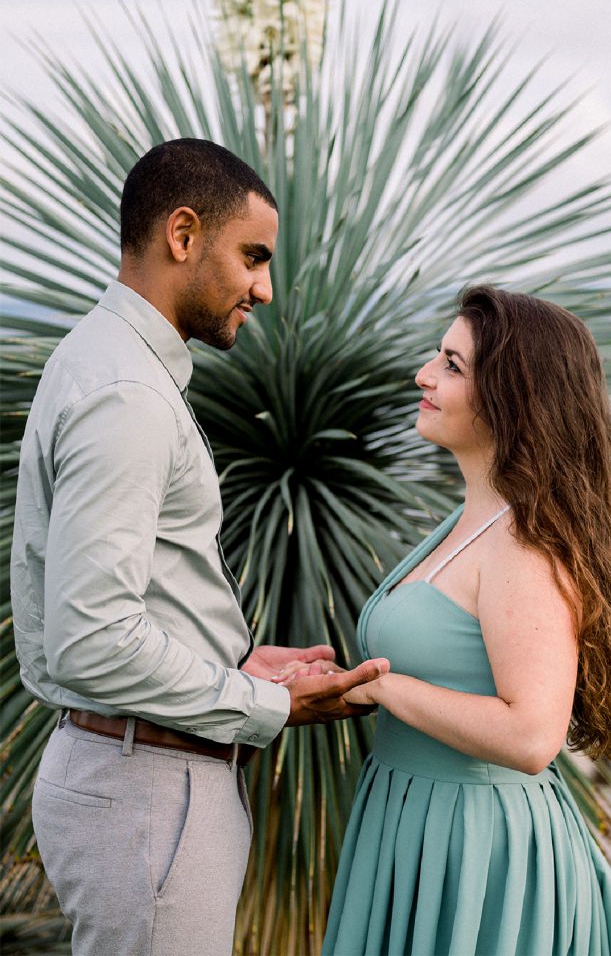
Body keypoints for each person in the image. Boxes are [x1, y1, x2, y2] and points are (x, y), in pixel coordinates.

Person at [10, 138, 389, 956]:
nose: (266, 287)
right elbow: (93, 638)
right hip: (148, 790)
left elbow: (121, 606)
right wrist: (269, 705)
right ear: (182, 235)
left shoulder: (106, 364)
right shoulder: (128, 397)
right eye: (252, 256)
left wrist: (234, 671)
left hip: (136, 774)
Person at [313, 285, 611, 956]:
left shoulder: (523, 544)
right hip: (415, 824)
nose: (423, 373)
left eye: (451, 364)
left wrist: (382, 687)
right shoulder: (473, 520)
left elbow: (531, 735)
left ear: (511, 396)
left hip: (475, 849)